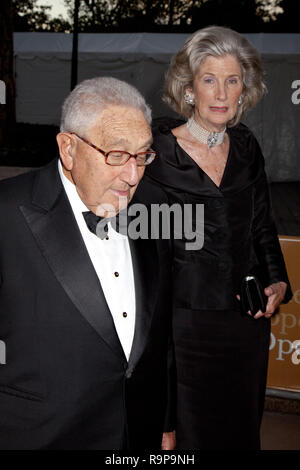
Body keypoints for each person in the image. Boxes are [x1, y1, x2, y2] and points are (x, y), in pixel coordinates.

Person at [0, 77, 176, 450]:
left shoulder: (155, 205)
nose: (132, 176)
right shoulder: (6, 214)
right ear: (68, 148)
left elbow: (161, 332)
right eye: (116, 155)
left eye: (143, 155)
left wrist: (164, 419)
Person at [143, 26, 292, 450]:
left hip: (246, 325)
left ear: (245, 89)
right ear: (189, 89)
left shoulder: (246, 146)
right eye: (209, 79)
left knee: (240, 433)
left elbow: (262, 224)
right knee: (181, 441)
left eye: (232, 80)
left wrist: (277, 281)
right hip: (180, 331)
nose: (222, 92)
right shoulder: (156, 154)